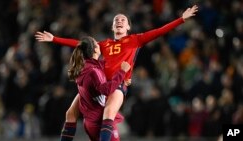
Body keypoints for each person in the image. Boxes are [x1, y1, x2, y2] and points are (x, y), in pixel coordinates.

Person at [35, 5, 198, 141]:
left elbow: (159, 31)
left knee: (108, 112)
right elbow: (81, 44)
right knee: (70, 113)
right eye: (116, 20)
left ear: (128, 27)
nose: (119, 21)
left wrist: (181, 19)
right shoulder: (104, 44)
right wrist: (54, 39)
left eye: (123, 20)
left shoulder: (136, 40)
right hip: (97, 83)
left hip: (117, 85)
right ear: (113, 27)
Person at [65, 36, 130, 141]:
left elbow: (103, 68)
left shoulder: (87, 67)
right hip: (100, 122)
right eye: (96, 43)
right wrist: (122, 72)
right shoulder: (93, 71)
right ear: (95, 49)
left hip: (90, 122)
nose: (99, 45)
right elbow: (106, 89)